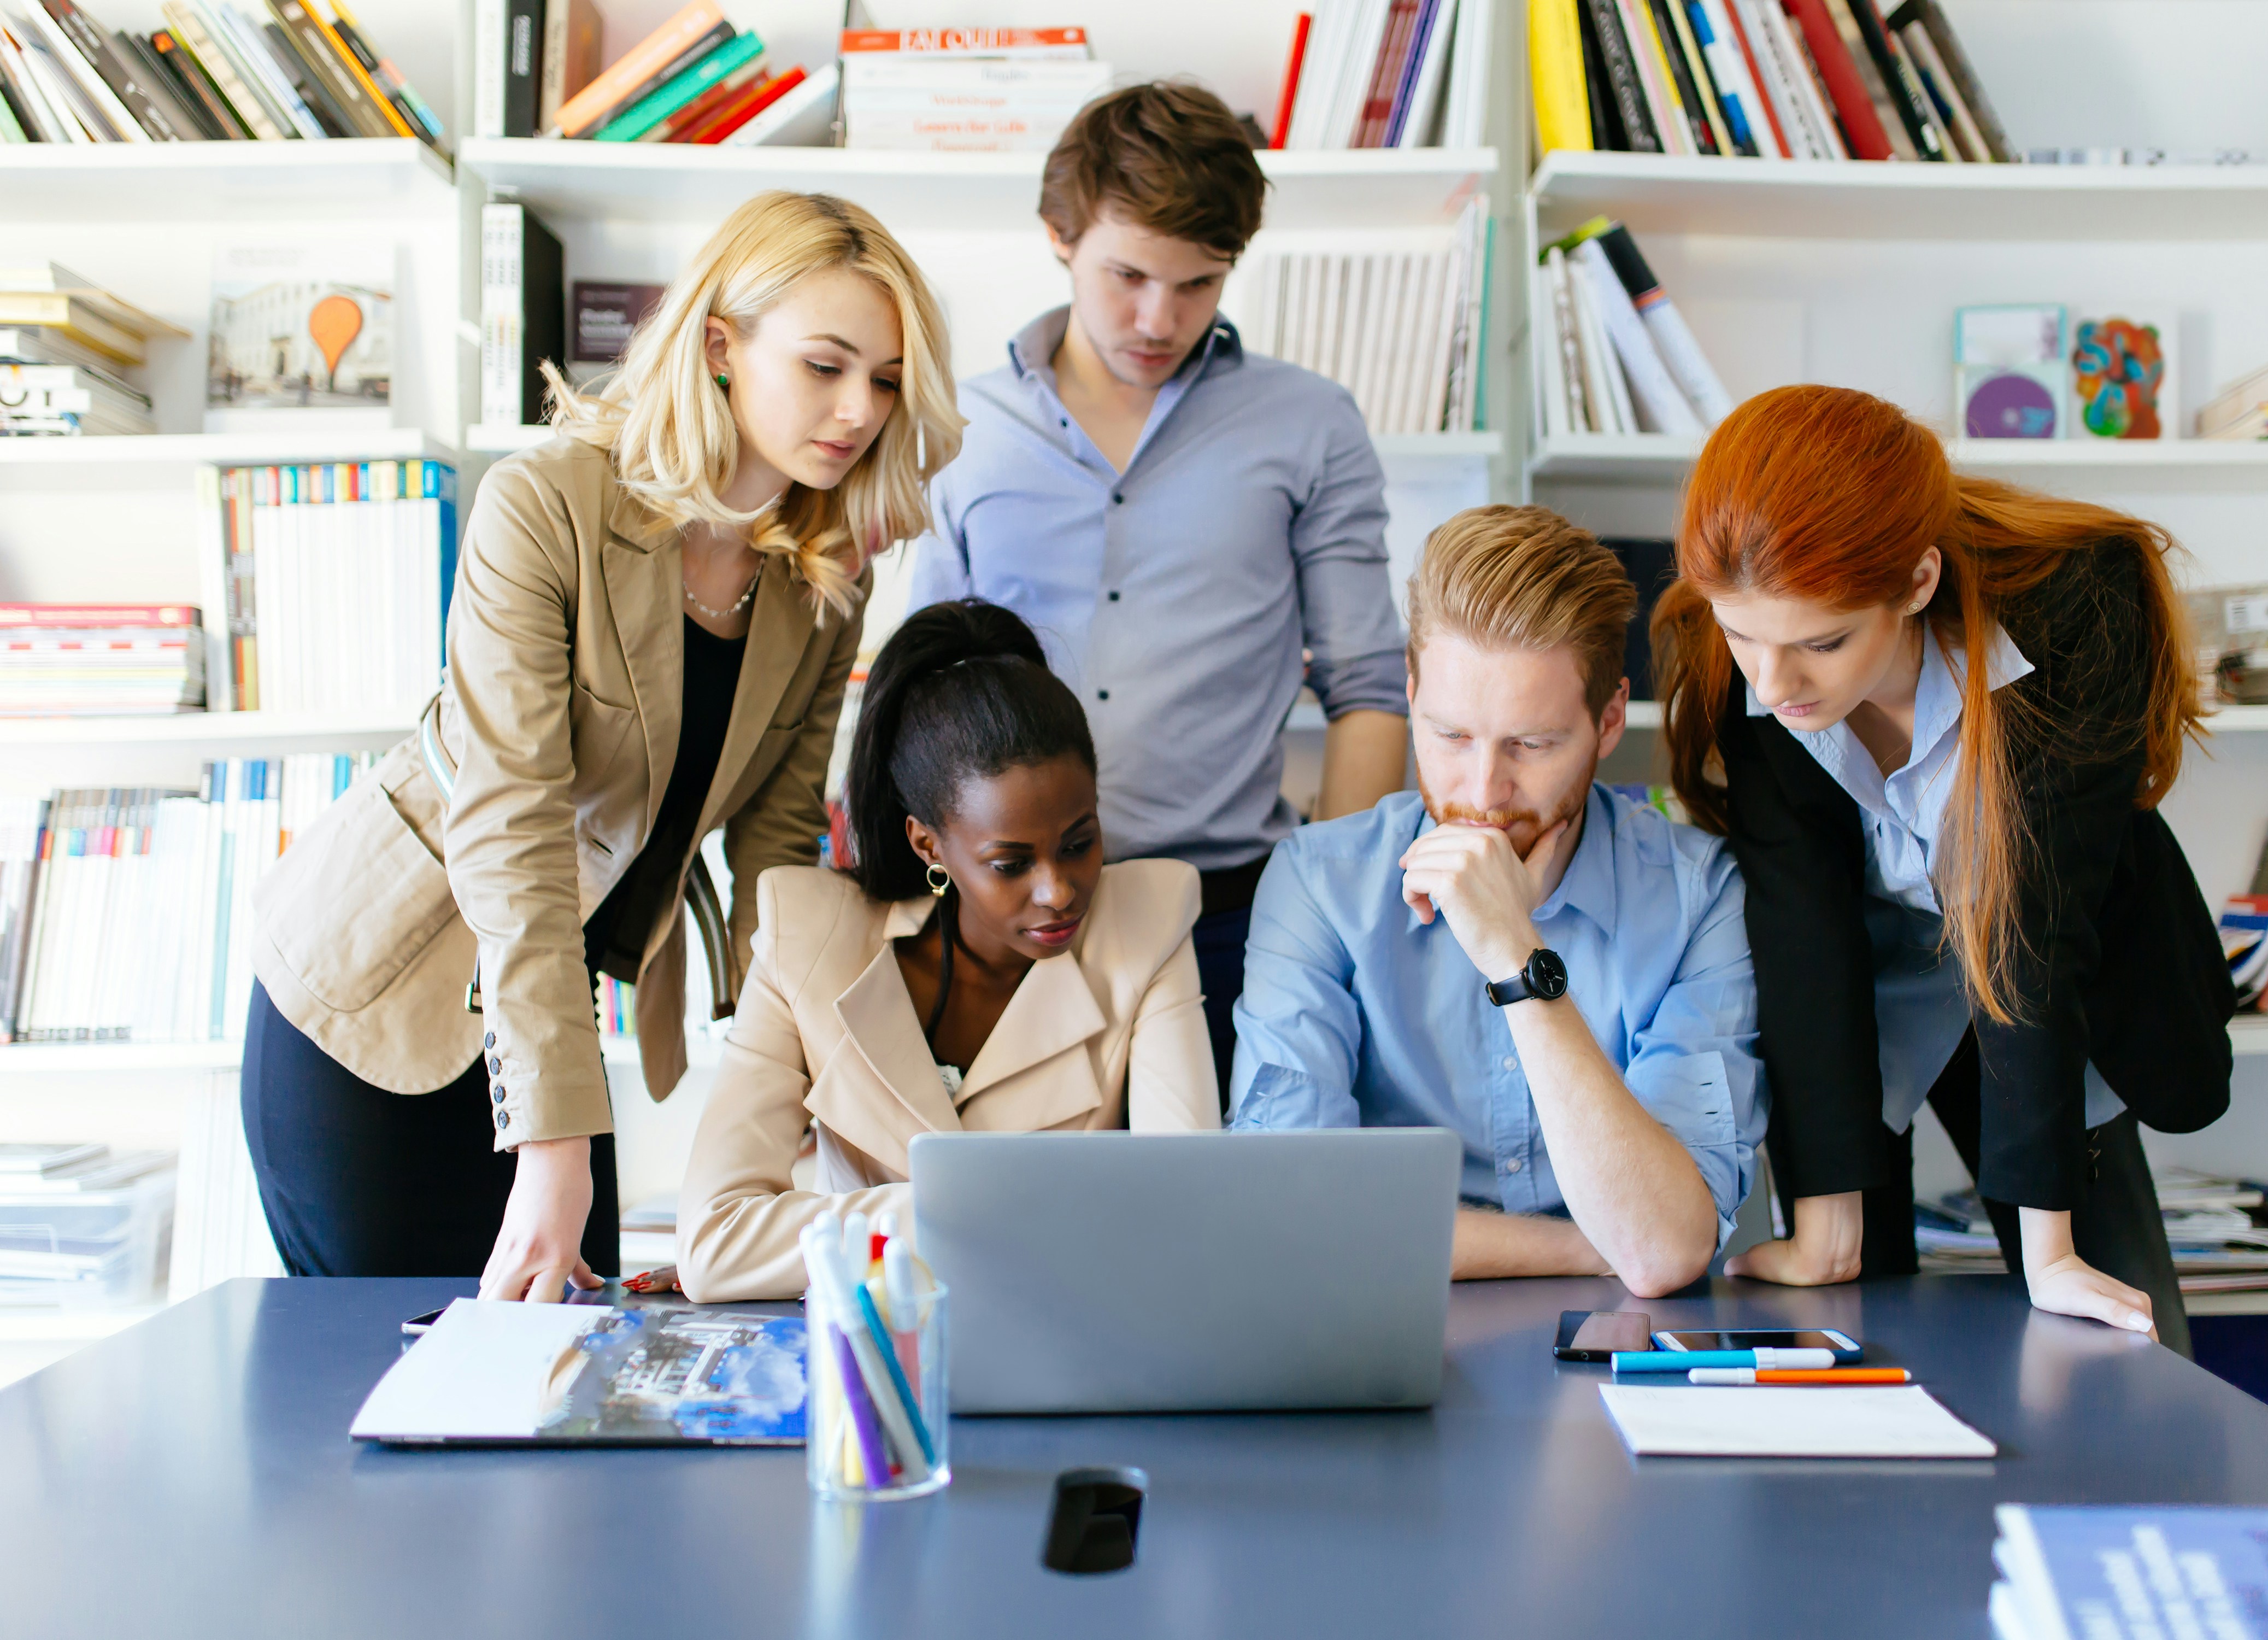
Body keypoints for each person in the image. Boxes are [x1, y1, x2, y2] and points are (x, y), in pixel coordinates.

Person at [243, 191, 962, 1299]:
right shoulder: (543, 506)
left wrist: (784, 1128)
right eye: (826, 366)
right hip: (382, 998)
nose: (859, 408)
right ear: (720, 344)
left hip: (548, 1011)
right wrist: (553, 1155)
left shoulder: (826, 580)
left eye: (883, 379)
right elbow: (515, 830)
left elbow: (778, 858)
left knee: (567, 1371)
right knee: (395, 1391)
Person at [1652, 384, 2232, 1348]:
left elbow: (2033, 924)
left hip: (2047, 972)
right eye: (1743, 635)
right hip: (1863, 994)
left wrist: (2049, 1252)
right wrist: (1827, 1220)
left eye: (1820, 643)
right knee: (1848, 1336)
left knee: (2129, 1341)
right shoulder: (1746, 659)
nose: (1773, 684)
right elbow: (1801, 927)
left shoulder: (2080, 609)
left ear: (1918, 583)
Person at [909, 80, 1413, 1096]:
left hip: (1233, 918)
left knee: (1228, 1230)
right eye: (1128, 274)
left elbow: (1368, 688)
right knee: (1017, 1234)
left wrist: (1333, 918)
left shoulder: (1311, 426)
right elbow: (931, 691)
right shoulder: (962, 428)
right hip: (1004, 920)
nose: (1158, 318)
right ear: (1059, 234)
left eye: (1198, 284)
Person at [1230, 506, 1764, 1298]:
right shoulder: (1318, 884)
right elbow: (1293, 1215)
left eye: (1533, 744)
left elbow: (1663, 1246)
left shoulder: (1697, 898)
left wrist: (1517, 958)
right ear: (1411, 696)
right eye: (1449, 736)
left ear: (1610, 719)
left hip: (1625, 1352)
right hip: (1384, 1324)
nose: (1483, 794)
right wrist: (1599, 1246)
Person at [674, 599, 1221, 1301]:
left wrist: (817, 1241)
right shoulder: (806, 935)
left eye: (1080, 843)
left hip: (1067, 1347)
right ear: (928, 843)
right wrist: (994, 1210)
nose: (1059, 891)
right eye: (1011, 863)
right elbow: (716, 1244)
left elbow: (1186, 1220)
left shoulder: (1148, 923)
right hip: (868, 1361)